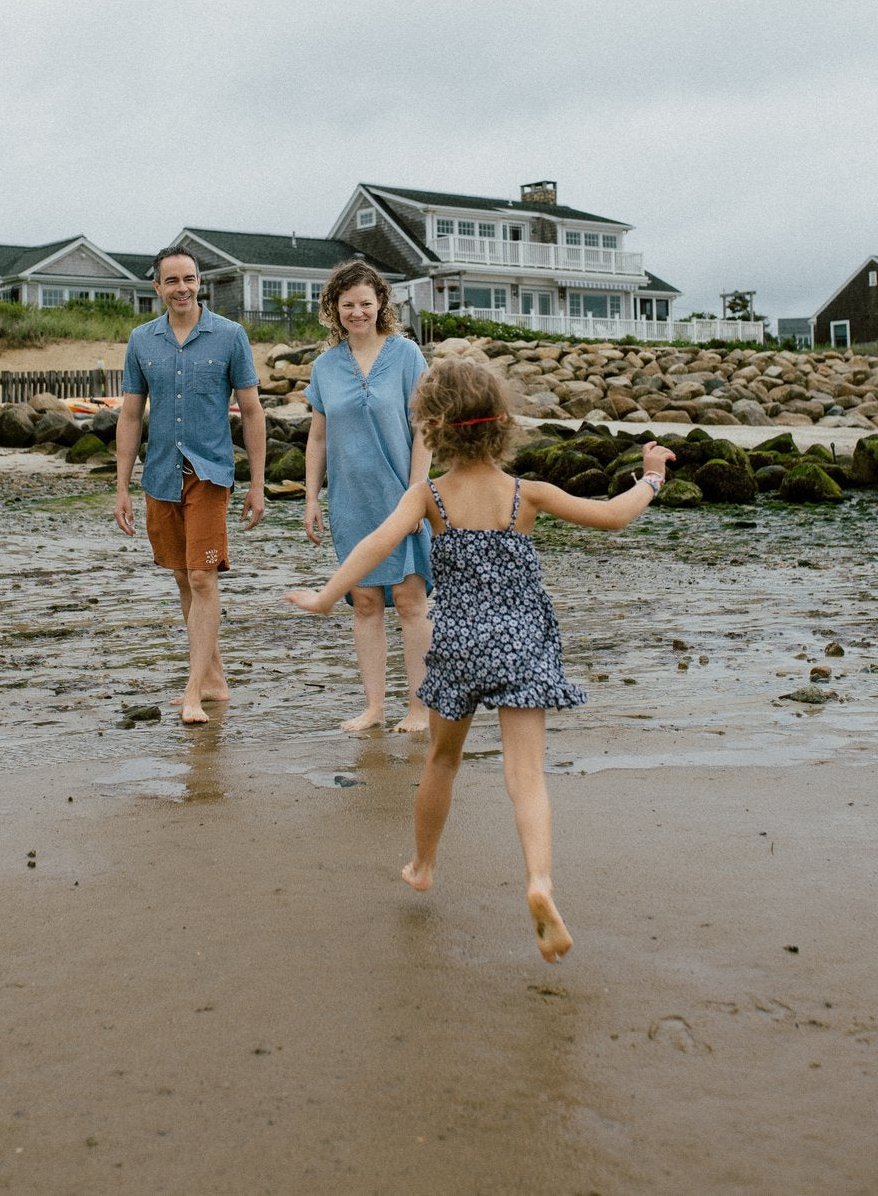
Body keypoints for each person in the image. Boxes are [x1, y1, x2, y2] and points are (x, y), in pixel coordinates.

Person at [287, 356, 675, 963]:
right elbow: (612, 517)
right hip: (522, 640)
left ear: (433, 428)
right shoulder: (527, 495)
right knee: (527, 774)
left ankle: (422, 865)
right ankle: (539, 882)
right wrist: (650, 477)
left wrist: (325, 597)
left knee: (442, 761)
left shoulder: (431, 496)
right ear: (500, 425)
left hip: (461, 643)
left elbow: (375, 545)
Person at [115, 246, 266, 725]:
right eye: (172, 280)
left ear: (201, 283)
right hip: (160, 474)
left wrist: (257, 484)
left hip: (210, 473)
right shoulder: (142, 340)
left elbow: (253, 412)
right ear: (157, 288)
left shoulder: (230, 336)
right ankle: (216, 676)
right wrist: (122, 486)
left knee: (202, 577)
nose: (182, 287)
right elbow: (132, 414)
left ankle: (193, 689)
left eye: (190, 278)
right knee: (182, 577)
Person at [303, 260, 433, 733]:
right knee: (364, 603)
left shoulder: (406, 356)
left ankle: (420, 708)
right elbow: (317, 438)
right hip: (350, 499)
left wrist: (417, 493)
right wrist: (312, 499)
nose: (357, 312)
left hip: (400, 494)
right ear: (334, 310)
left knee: (409, 600)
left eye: (365, 303)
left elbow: (425, 427)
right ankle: (375, 708)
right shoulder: (325, 366)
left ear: (380, 305)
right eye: (348, 305)